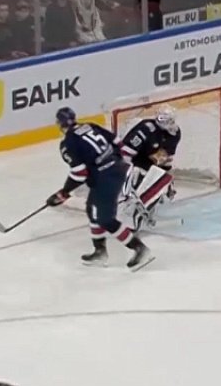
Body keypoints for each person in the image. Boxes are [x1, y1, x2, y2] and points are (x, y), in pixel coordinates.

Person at [45, 107, 152, 270]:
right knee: (91, 209)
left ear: (59, 124)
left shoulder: (68, 143)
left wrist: (63, 193)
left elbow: (79, 173)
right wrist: (113, 162)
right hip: (117, 169)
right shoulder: (90, 125)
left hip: (105, 179)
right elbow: (118, 142)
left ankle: (140, 249)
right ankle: (99, 252)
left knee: (105, 219)